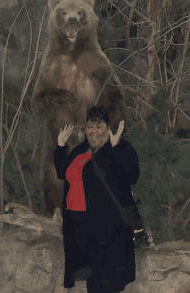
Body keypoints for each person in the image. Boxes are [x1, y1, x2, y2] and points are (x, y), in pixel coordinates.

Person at [53, 106, 142, 293]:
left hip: (107, 228)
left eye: (99, 127)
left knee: (103, 281)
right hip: (78, 225)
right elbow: (64, 173)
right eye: (90, 127)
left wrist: (116, 147)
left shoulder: (119, 148)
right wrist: (61, 147)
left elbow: (130, 176)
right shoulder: (80, 150)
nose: (93, 132)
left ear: (108, 128)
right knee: (87, 278)